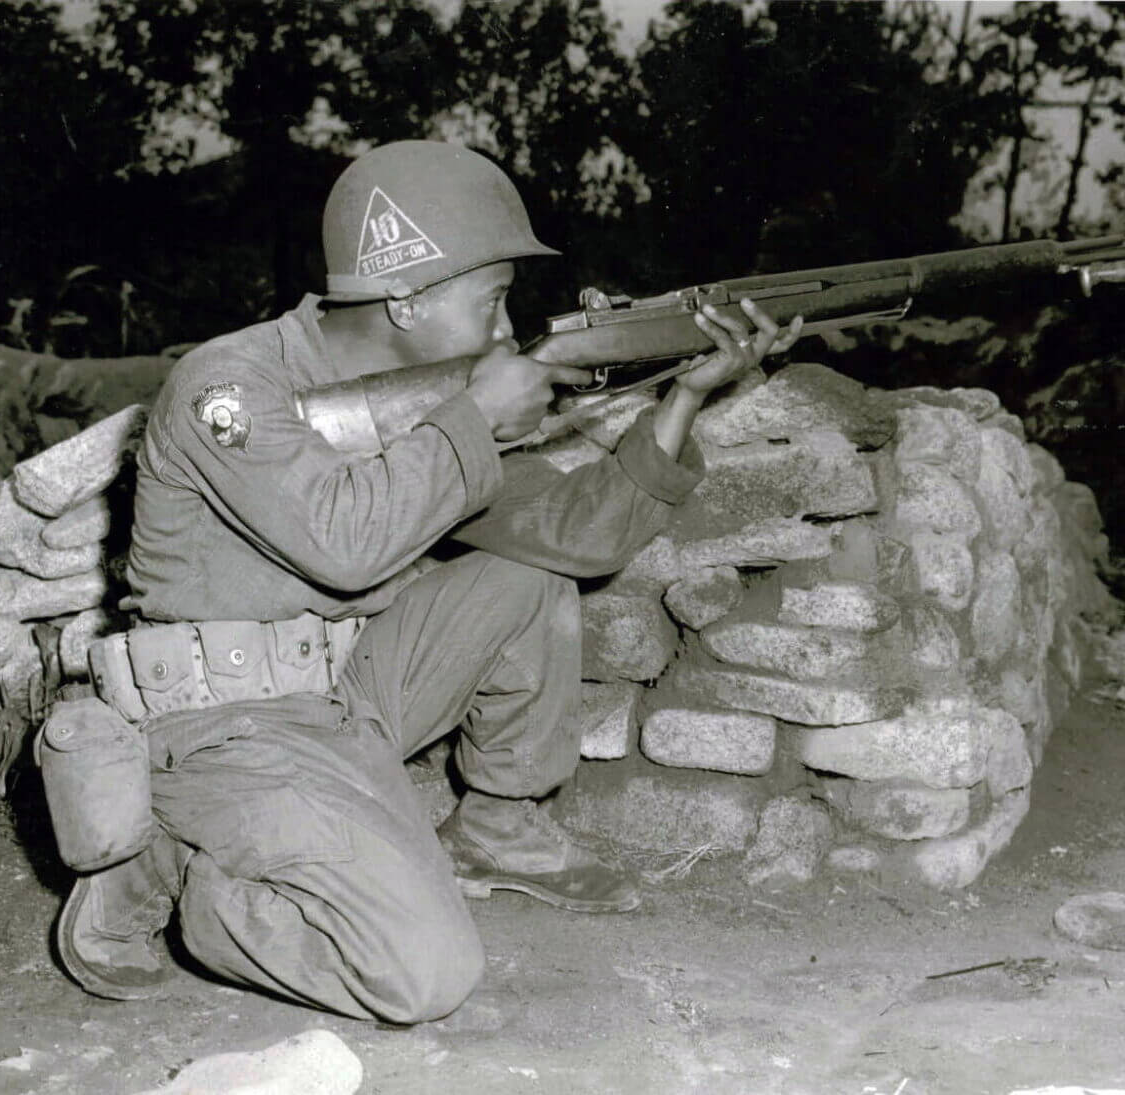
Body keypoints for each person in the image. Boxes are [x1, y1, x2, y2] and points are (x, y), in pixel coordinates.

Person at [46, 140, 801, 1023]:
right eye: (492, 301)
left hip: (344, 693)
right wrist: (475, 417)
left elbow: (578, 539)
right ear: (404, 298)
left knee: (530, 579)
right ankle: (180, 873)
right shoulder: (231, 383)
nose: (502, 328)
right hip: (216, 727)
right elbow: (345, 543)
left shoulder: (428, 400)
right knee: (424, 974)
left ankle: (496, 827)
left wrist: (682, 396)